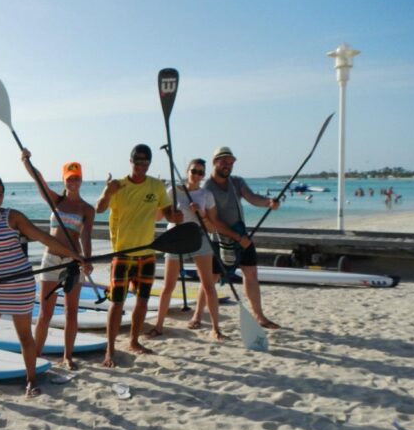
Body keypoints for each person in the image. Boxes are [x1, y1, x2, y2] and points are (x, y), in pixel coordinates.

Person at [0, 173, 88, 396]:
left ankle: (31, 381)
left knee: (25, 336)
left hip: (20, 285)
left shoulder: (12, 217)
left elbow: (45, 239)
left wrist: (75, 256)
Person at [95, 144, 183, 367]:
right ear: (131, 161)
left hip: (148, 253)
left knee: (142, 301)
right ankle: (110, 349)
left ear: (149, 164)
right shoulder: (119, 185)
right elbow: (99, 209)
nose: (141, 166)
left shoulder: (156, 185)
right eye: (137, 161)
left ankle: (134, 341)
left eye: (145, 162)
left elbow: (168, 213)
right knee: (117, 303)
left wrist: (178, 216)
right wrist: (107, 192)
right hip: (123, 254)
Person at [21, 149, 95, 370]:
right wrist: (26, 161)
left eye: (77, 178)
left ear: (81, 180)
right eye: (69, 178)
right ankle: (37, 353)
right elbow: (39, 180)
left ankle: (67, 356)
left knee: (71, 312)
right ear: (64, 179)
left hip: (73, 264)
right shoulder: (56, 200)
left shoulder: (87, 209)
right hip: (51, 260)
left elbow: (86, 237)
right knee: (45, 313)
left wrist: (88, 260)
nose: (73, 182)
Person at [198, 146, 281, 329]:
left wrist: (269, 203)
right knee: (210, 278)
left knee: (251, 273)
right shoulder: (207, 187)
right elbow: (214, 221)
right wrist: (237, 237)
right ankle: (197, 316)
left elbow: (252, 198)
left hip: (241, 235)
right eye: (224, 161)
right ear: (214, 162)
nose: (228, 165)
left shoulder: (237, 182)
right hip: (218, 238)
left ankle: (259, 316)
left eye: (231, 161)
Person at [148, 158, 225, 341]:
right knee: (168, 286)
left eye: (200, 172)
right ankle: (159, 326)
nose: (196, 175)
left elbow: (213, 228)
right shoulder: (172, 191)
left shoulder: (206, 195)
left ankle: (216, 328)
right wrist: (169, 211)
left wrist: (202, 214)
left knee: (208, 285)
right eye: (193, 171)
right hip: (175, 237)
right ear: (187, 171)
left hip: (198, 237)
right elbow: (158, 217)